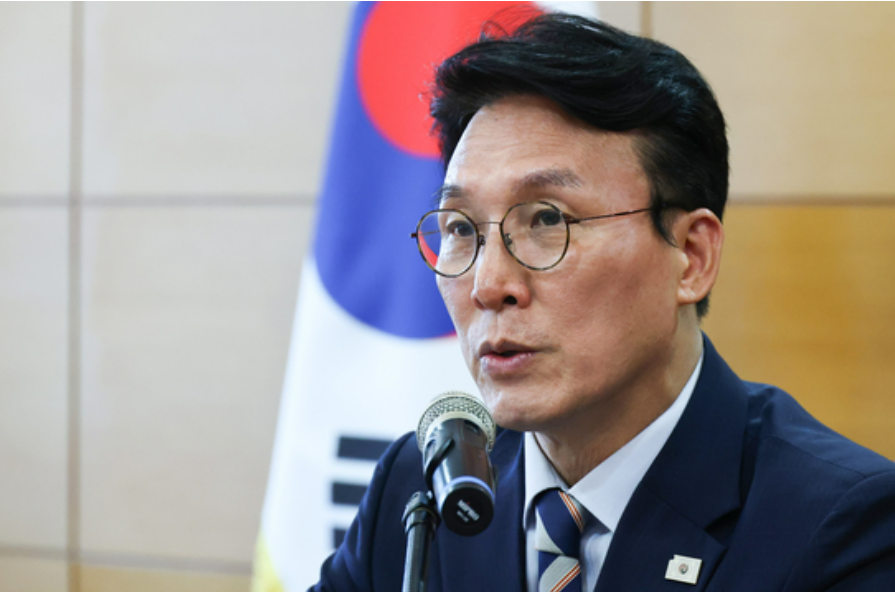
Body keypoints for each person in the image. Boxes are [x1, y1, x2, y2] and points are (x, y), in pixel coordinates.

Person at [312, 13, 895, 592]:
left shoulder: (841, 528)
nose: (488, 284)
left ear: (691, 257)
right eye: (462, 228)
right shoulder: (423, 491)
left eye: (547, 219)